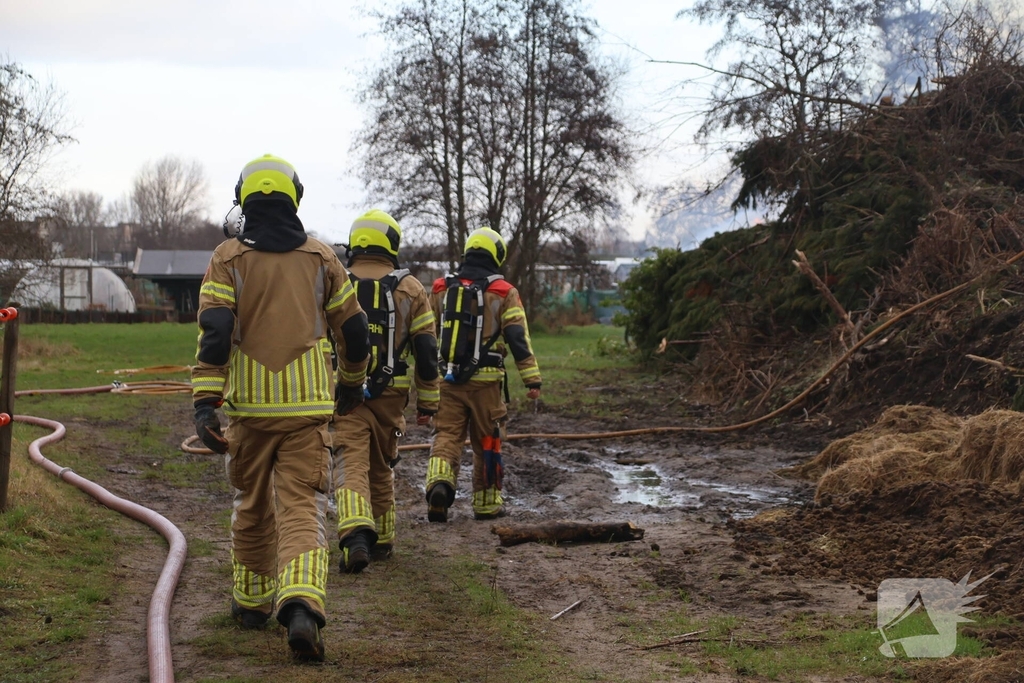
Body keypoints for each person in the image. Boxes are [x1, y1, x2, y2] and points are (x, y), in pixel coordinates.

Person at [191, 154, 369, 662]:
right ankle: (302, 607)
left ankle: (250, 605)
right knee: (302, 509)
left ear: (244, 199)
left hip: (249, 413)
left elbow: (216, 334)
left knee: (251, 505)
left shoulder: (226, 258)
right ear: (295, 197)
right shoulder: (322, 257)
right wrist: (351, 384)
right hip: (309, 412)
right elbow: (353, 332)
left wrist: (206, 405)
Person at [332, 209, 440, 573]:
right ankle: (383, 539)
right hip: (392, 396)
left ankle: (355, 532)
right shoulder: (412, 288)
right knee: (382, 461)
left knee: (349, 459)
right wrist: (428, 401)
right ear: (391, 243)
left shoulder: (337, 282)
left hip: (344, 391)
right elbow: (426, 351)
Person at [425, 227, 541, 522]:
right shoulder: (504, 292)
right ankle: (487, 505)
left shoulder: (441, 287)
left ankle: (439, 485)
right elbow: (517, 336)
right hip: (487, 383)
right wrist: (532, 378)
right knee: (488, 440)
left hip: (447, 379)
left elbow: (426, 333)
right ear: (496, 255)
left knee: (446, 434)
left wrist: (429, 375)